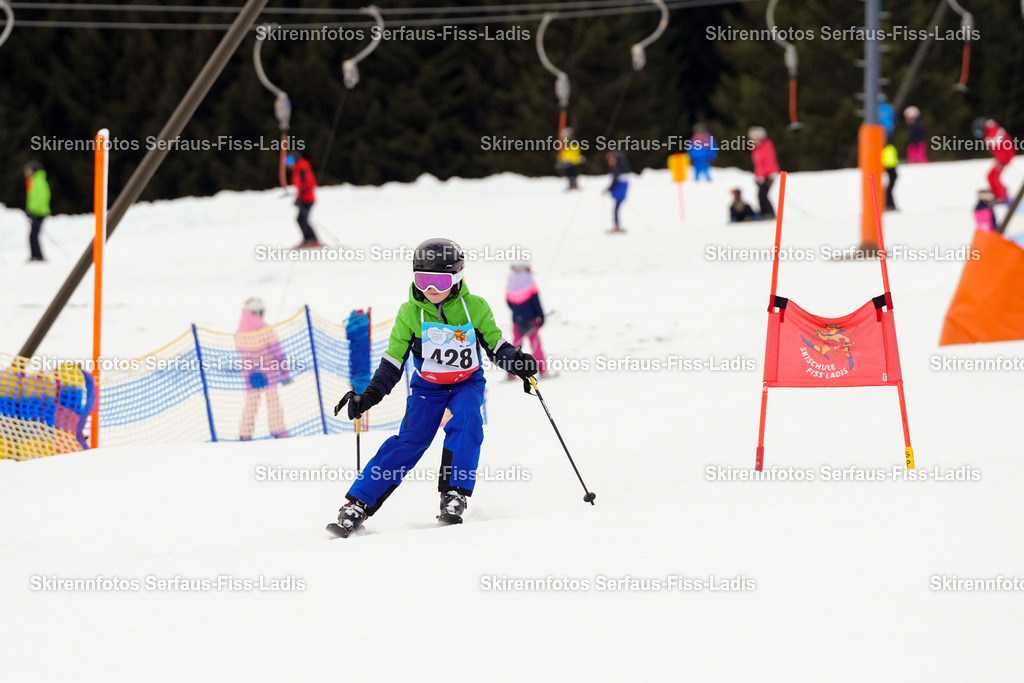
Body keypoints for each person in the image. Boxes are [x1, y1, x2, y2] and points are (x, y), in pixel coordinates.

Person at [332, 238, 537, 534]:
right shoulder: (410, 312)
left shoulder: (474, 307)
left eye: (439, 281)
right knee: (410, 441)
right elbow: (393, 361)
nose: (430, 289)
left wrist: (517, 362)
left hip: (466, 383)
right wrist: (370, 395)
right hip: (427, 388)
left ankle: (454, 494)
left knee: (467, 419)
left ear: (456, 277)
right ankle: (358, 505)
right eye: (423, 279)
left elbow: (495, 344)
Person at [235, 297, 290, 440]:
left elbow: (241, 351)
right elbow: (277, 353)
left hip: (249, 374)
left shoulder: (239, 332)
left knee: (251, 403)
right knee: (273, 403)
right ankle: (279, 432)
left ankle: (244, 434)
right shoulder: (266, 329)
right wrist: (284, 373)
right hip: (268, 371)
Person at [505, 260, 547, 378]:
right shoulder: (529, 281)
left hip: (516, 320)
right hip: (531, 319)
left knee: (516, 345)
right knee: (535, 344)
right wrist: (541, 316)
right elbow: (536, 301)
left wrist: (517, 313)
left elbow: (508, 301)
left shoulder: (511, 281)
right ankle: (542, 369)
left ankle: (511, 372)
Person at [973, 117, 1015, 203]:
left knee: (993, 176)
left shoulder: (991, 132)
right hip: (1003, 157)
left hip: (1004, 157)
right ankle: (1000, 193)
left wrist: (1001, 161)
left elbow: (1002, 147)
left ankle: (1002, 196)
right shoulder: (990, 130)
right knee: (991, 176)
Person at [285, 150, 322, 248]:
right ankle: (308, 240)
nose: (288, 165)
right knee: (302, 219)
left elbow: (307, 184)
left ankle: (312, 240)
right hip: (305, 198)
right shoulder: (298, 169)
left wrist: (300, 198)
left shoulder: (302, 168)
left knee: (302, 219)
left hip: (307, 199)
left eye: (289, 161)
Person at [748, 127, 780, 219]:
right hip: (762, 176)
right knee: (760, 194)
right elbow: (758, 164)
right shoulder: (756, 148)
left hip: (769, 175)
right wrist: (758, 176)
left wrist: (765, 175)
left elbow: (769, 161)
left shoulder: (766, 146)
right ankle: (764, 212)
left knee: (763, 194)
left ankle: (769, 213)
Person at [24, 161, 51, 262]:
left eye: (29, 170)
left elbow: (41, 198)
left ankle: (37, 256)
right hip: (37, 213)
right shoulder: (33, 181)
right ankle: (36, 255)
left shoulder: (38, 181)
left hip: (39, 213)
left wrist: (33, 211)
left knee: (33, 235)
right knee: (33, 235)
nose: (27, 172)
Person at [605, 152, 630, 232]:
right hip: (621, 192)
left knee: (616, 209)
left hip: (619, 192)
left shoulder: (617, 171)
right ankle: (617, 225)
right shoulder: (623, 168)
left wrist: (608, 189)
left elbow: (614, 182)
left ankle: (616, 225)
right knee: (616, 209)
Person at [883, 142, 899, 211]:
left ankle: (890, 205)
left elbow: (889, 162)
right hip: (893, 173)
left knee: (888, 190)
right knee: (888, 190)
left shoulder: (887, 150)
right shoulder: (891, 148)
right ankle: (889, 205)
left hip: (892, 173)